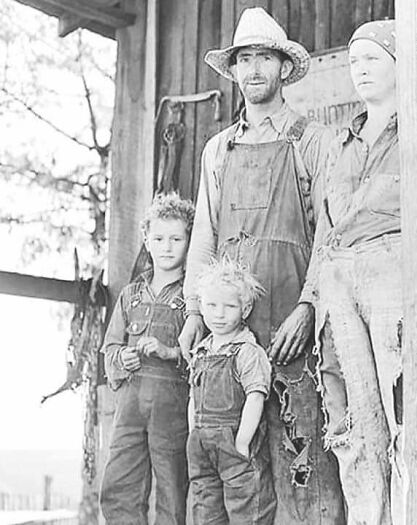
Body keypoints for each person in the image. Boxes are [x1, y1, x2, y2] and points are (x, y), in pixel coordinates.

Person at [302, 19, 417, 524]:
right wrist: (320, 291)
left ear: (403, 67)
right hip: (343, 280)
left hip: (403, 269)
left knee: (414, 423)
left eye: (372, 60)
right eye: (354, 61)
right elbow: (326, 227)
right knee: (358, 427)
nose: (360, 70)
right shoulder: (338, 145)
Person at [178, 7, 344, 524]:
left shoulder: (312, 141)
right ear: (233, 70)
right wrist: (193, 312)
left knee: (305, 465)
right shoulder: (218, 150)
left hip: (293, 328)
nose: (253, 70)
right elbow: (203, 233)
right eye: (244, 59)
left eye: (264, 58)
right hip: (231, 331)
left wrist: (309, 306)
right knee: (235, 470)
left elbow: (330, 235)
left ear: (282, 68)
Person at [100, 192, 195, 525]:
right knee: (118, 487)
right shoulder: (131, 294)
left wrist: (172, 353)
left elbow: (205, 354)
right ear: (146, 240)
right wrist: (120, 359)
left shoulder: (194, 297)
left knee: (172, 492)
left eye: (176, 239)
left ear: (189, 241)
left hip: (173, 410)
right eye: (158, 238)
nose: (167, 246)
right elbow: (110, 347)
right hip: (130, 406)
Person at [187, 258, 275, 524]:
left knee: (246, 510)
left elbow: (255, 397)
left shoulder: (247, 351)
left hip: (233, 443)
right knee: (206, 509)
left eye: (229, 306)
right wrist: (194, 434)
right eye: (212, 305)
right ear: (201, 306)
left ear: (245, 308)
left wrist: (242, 442)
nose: (219, 314)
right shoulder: (201, 351)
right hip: (202, 445)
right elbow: (193, 397)